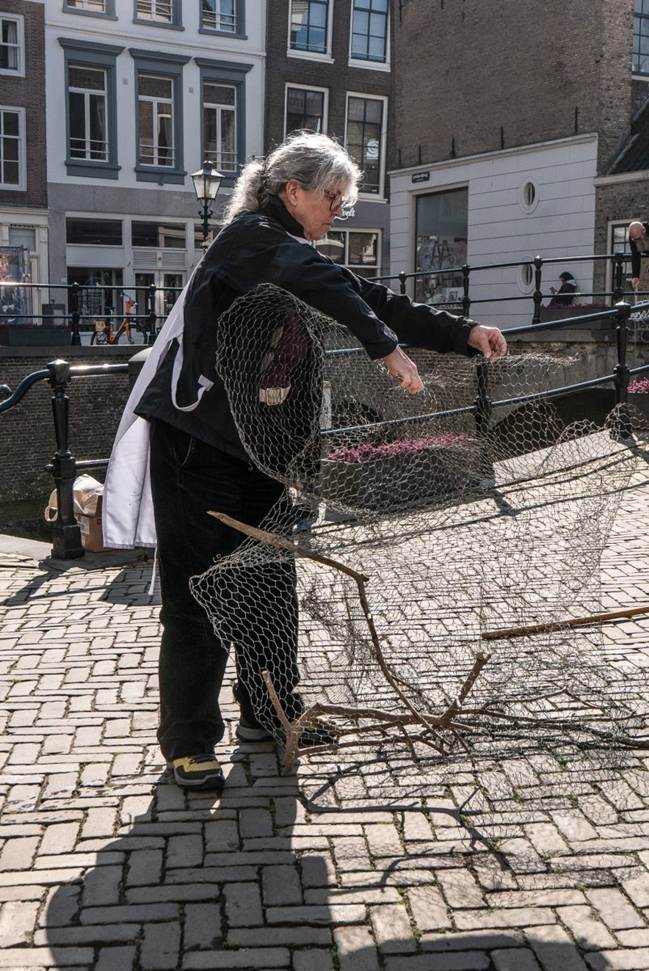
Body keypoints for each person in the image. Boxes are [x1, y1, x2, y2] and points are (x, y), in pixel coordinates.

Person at [103, 132, 507, 790]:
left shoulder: (287, 250)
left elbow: (363, 293)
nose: (334, 213)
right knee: (200, 591)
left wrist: (459, 333)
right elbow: (320, 281)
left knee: (267, 582)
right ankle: (188, 741)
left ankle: (270, 713)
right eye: (331, 199)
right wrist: (383, 349)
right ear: (290, 191)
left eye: (342, 203)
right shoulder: (248, 238)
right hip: (197, 443)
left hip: (261, 449)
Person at [629, 220, 649, 292]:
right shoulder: (632, 238)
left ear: (644, 231)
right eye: (635, 239)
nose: (637, 241)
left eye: (639, 238)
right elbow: (635, 255)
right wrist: (635, 276)